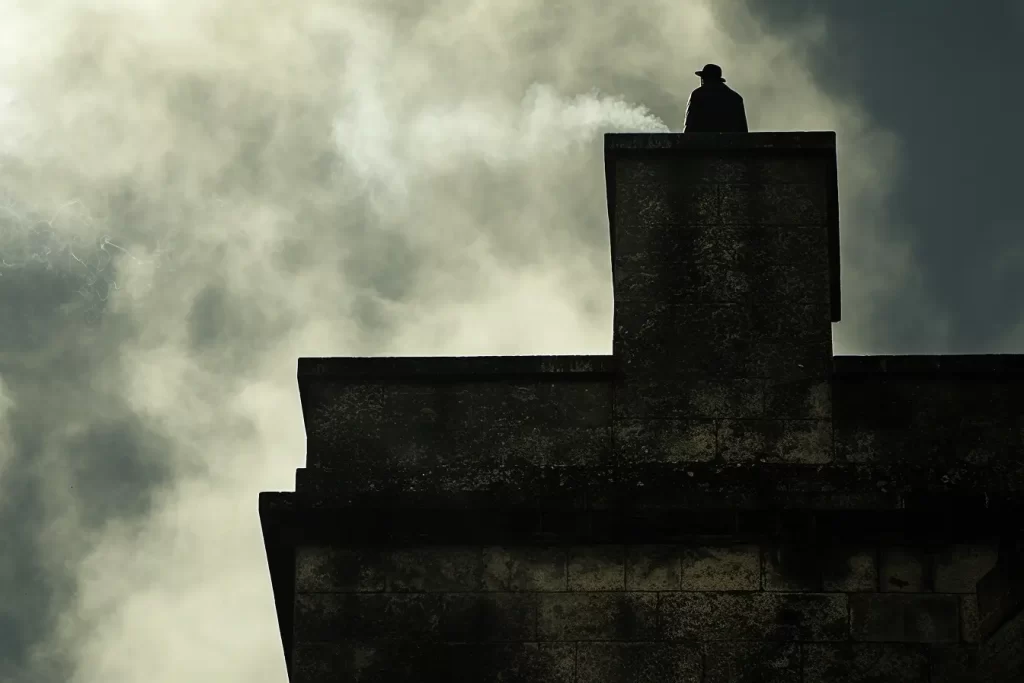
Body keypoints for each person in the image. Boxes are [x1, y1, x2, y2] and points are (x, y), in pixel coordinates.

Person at [683, 64, 748, 133]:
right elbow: (742, 129)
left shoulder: (697, 95)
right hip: (729, 142)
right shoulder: (736, 98)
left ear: (705, 79)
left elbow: (690, 125)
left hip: (703, 142)